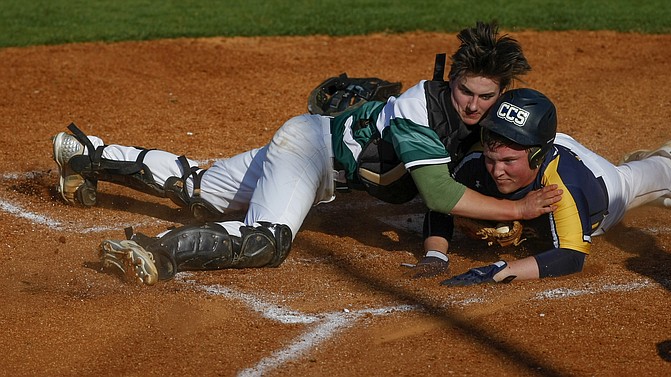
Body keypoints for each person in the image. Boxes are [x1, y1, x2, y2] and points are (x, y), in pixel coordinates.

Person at [51, 21, 563, 285]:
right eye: (466, 91)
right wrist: (515, 210)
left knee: (202, 190)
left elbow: (472, 173)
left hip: (310, 142)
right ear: (451, 80)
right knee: (267, 241)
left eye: (485, 96)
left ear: (500, 95)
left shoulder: (484, 125)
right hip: (311, 152)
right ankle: (157, 250)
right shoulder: (417, 110)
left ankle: (87, 154)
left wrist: (439, 249)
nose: (473, 105)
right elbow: (436, 189)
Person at [404, 88, 671, 285]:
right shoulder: (480, 163)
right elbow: (442, 203)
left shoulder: (563, 186)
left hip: (606, 182)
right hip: (542, 143)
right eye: (492, 159)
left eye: (507, 161)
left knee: (637, 178)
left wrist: (500, 272)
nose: (497, 171)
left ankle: (665, 158)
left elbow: (571, 256)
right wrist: (435, 253)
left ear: (537, 156)